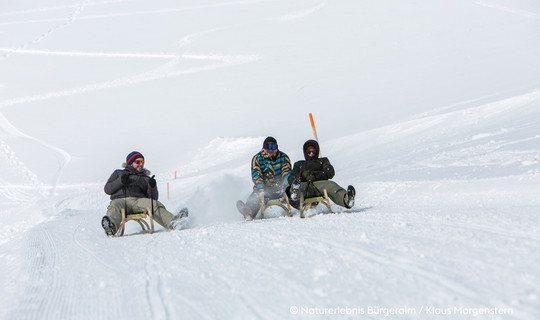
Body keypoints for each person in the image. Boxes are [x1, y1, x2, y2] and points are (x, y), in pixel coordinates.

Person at [101, 151, 188, 236]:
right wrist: (120, 181)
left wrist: (152, 186)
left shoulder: (145, 178)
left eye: (142, 162)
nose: (141, 164)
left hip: (138, 201)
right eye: (138, 162)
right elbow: (108, 189)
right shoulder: (119, 173)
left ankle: (173, 222)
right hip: (121, 200)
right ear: (130, 162)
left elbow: (153, 199)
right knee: (114, 205)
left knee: (153, 204)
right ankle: (111, 227)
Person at [287, 139, 355, 209]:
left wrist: (316, 175)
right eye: (309, 151)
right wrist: (302, 176)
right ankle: (294, 194)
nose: (311, 153)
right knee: (295, 186)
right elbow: (290, 179)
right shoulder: (299, 164)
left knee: (331, 185)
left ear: (317, 151)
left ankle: (346, 199)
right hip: (305, 187)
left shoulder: (322, 161)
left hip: (319, 186)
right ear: (305, 152)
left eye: (313, 151)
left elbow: (330, 172)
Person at [237, 137, 292, 220]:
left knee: (293, 190)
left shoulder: (283, 157)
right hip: (264, 187)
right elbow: (256, 175)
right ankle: (248, 211)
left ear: (276, 148)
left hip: (280, 187)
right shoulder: (258, 158)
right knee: (257, 196)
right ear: (263, 147)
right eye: (267, 147)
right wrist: (261, 187)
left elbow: (286, 172)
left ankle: (305, 206)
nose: (270, 150)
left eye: (273, 147)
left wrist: (284, 184)